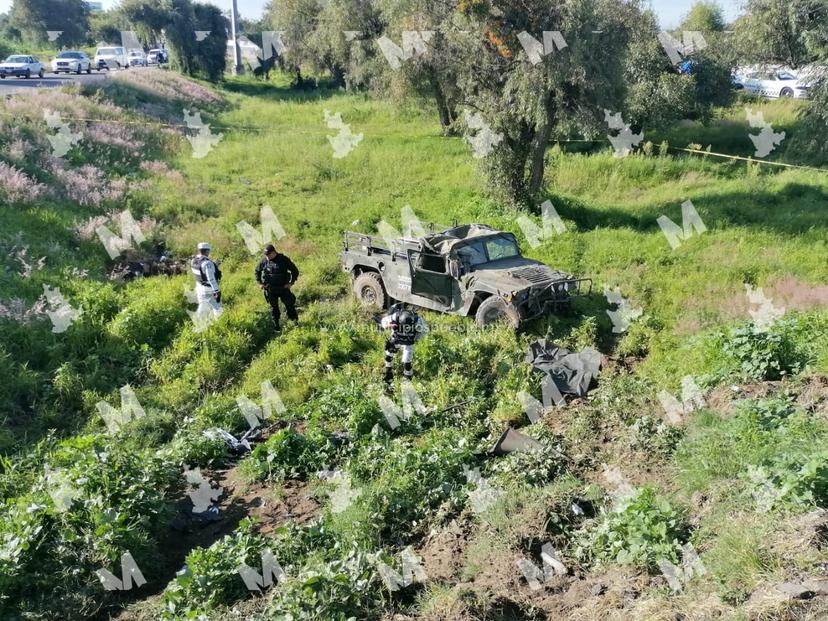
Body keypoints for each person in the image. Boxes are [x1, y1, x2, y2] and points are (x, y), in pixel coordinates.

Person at [255, 243, 299, 331]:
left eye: (268, 255)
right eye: (265, 255)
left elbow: (295, 271)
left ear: (273, 252)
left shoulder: (283, 259)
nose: (267, 257)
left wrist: (291, 283)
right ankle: (277, 327)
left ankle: (295, 324)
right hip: (270, 289)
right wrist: (260, 283)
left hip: (283, 288)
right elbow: (257, 271)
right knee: (274, 308)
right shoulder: (264, 261)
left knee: (289, 305)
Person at [380, 303, 427, 383]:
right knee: (388, 355)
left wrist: (416, 338)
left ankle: (407, 376)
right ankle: (388, 372)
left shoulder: (418, 320)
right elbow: (383, 321)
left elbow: (425, 330)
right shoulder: (396, 316)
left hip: (408, 341)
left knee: (407, 361)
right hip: (396, 338)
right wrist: (388, 325)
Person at [191, 242, 222, 323]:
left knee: (202, 306)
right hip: (209, 289)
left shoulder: (193, 260)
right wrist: (217, 291)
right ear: (207, 251)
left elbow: (202, 272)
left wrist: (214, 264)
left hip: (199, 287)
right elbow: (211, 278)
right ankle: (219, 324)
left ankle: (199, 322)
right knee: (217, 308)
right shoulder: (207, 263)